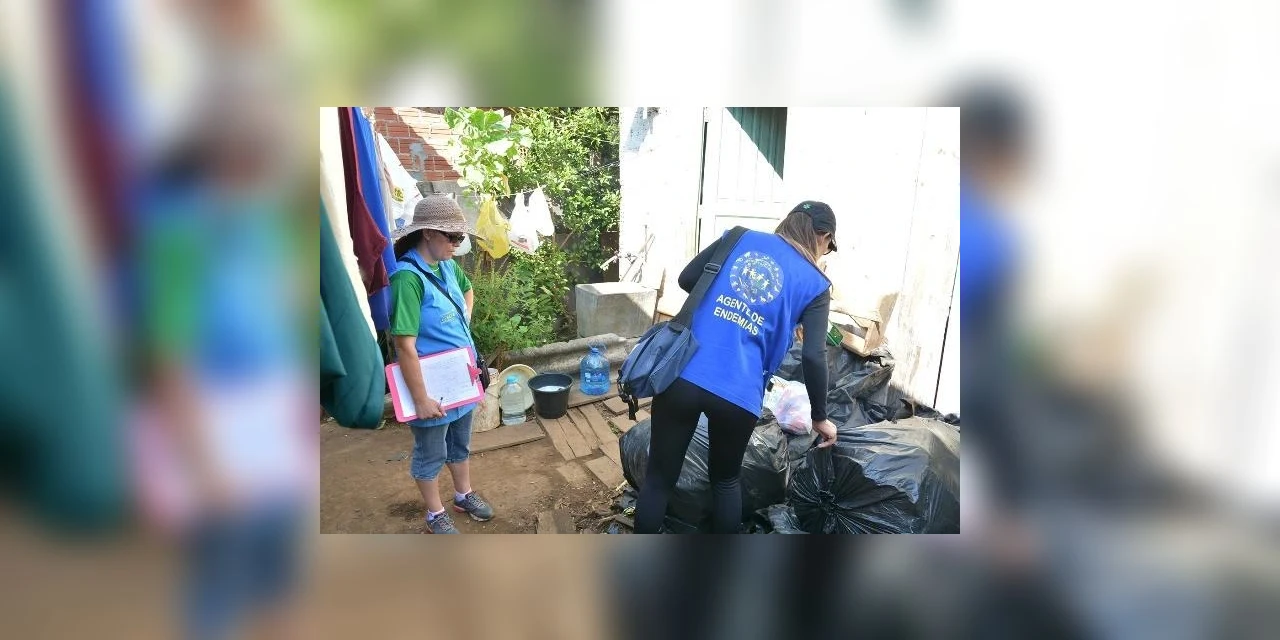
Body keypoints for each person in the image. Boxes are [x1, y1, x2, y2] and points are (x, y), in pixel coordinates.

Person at [634, 201, 841, 534]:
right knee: (725, 481)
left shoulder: (739, 237)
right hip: (740, 392)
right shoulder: (816, 284)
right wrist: (819, 417)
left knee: (659, 478)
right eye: (828, 247)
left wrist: (727, 300)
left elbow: (687, 278)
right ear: (824, 237)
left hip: (683, 371)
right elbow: (814, 355)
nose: (824, 253)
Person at [389, 196, 494, 534]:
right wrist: (420, 399)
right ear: (429, 233)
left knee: (460, 443)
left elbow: (467, 289)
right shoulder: (408, 278)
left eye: (460, 237)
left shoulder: (446, 264)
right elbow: (404, 345)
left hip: (459, 379)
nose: (457, 244)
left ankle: (463, 494)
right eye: (453, 237)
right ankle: (435, 513)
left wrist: (464, 320)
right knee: (431, 452)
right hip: (429, 385)